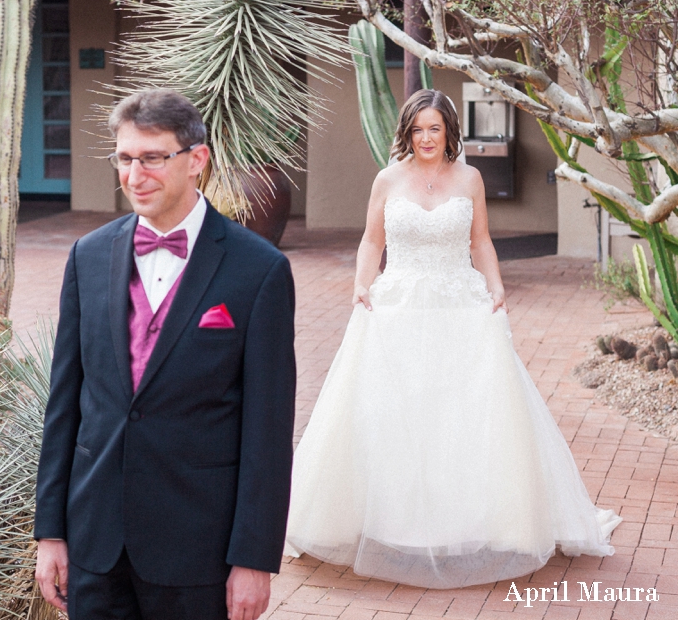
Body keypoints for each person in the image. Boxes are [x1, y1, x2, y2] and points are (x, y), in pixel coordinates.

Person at [283, 89, 621, 589]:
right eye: (417, 129)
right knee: (394, 410)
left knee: (461, 411)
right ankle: (392, 521)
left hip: (457, 302)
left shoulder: (469, 178)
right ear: (407, 132)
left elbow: (480, 239)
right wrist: (360, 283)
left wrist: (496, 283)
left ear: (448, 132)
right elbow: (372, 240)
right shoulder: (387, 179)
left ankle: (467, 520)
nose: (425, 138)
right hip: (397, 304)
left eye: (434, 129)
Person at [34, 88, 297, 619]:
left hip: (198, 550)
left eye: (152, 158)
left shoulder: (258, 271)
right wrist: (51, 533)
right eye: (125, 159)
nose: (135, 176)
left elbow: (268, 431)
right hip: (96, 542)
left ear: (196, 160)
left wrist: (253, 558)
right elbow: (63, 406)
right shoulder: (88, 257)